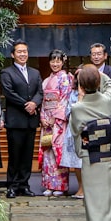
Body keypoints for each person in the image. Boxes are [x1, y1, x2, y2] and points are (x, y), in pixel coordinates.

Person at [69, 64, 111, 221]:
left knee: (95, 204)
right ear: (98, 82)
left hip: (92, 159)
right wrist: (97, 73)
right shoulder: (109, 101)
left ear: (80, 86)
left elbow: (75, 132)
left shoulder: (78, 108)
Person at [0, 40, 43, 198]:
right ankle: (11, 186)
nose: (22, 54)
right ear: (13, 55)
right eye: (19, 51)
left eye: (25, 51)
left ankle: (24, 185)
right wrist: (27, 105)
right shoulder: (7, 72)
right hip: (16, 120)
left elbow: (40, 92)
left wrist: (35, 103)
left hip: (31, 121)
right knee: (15, 155)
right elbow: (9, 93)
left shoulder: (35, 72)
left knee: (27, 156)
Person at [39, 49, 74, 196]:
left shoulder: (65, 78)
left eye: (58, 61)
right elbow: (43, 101)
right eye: (53, 61)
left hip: (58, 121)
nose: (55, 64)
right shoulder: (47, 79)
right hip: (47, 119)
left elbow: (65, 100)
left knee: (58, 150)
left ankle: (60, 186)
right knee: (47, 152)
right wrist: (43, 117)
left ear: (63, 62)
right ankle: (49, 184)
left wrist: (54, 118)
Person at [59, 62, 85, 198]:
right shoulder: (73, 92)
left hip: (87, 129)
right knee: (76, 162)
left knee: (86, 161)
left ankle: (88, 188)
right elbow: (68, 110)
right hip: (73, 128)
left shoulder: (94, 92)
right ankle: (80, 187)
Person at [89, 42, 111, 119]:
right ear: (91, 57)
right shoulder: (88, 72)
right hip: (93, 112)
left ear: (105, 56)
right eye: (93, 54)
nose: (96, 57)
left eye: (99, 54)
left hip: (109, 112)